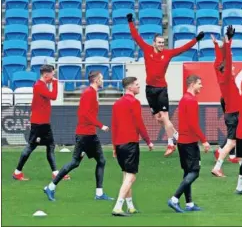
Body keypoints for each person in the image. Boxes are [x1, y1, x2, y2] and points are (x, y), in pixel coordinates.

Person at [127, 13, 205, 157]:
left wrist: (196, 40)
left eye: (163, 43)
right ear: (154, 43)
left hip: (162, 89)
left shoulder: (168, 54)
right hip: (149, 89)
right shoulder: (147, 49)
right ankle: (175, 134)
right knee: (158, 119)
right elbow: (136, 37)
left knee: (165, 117)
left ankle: (171, 143)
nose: (162, 45)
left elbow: (183, 48)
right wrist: (130, 22)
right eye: (159, 42)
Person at [43, 71, 113, 202]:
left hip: (88, 134)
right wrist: (100, 125)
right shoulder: (89, 93)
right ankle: (50, 187)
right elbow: (85, 114)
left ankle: (99, 193)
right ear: (96, 80)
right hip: (85, 135)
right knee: (76, 162)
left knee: (99, 161)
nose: (103, 81)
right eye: (102, 78)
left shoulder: (92, 93)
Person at [12, 64, 70, 181]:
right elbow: (53, 96)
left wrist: (32, 112)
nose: (54, 77)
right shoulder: (39, 85)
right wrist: (55, 83)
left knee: (50, 146)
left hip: (43, 123)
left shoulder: (41, 85)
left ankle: (55, 173)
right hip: (39, 124)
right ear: (46, 74)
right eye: (52, 74)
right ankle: (17, 172)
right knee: (31, 147)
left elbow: (35, 101)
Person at [210, 27, 242, 177]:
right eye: (231, 67)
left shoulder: (220, 73)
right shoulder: (226, 77)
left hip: (233, 113)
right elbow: (228, 58)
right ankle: (217, 167)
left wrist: (217, 45)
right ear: (226, 69)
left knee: (238, 141)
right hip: (233, 114)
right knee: (232, 142)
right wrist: (227, 41)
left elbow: (220, 59)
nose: (233, 68)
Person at [167, 75, 210, 213]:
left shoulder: (184, 99)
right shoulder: (191, 101)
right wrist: (204, 140)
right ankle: (174, 199)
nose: (201, 86)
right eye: (199, 83)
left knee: (187, 172)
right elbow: (193, 124)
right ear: (192, 84)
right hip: (189, 142)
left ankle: (189, 203)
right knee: (194, 172)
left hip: (183, 142)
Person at [111, 77, 154, 217]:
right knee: (131, 177)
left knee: (126, 175)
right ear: (130, 88)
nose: (139, 87)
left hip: (119, 144)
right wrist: (148, 140)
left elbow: (114, 126)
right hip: (130, 143)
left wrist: (114, 147)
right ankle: (118, 206)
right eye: (137, 85)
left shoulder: (117, 104)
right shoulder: (134, 102)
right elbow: (139, 123)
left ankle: (130, 206)